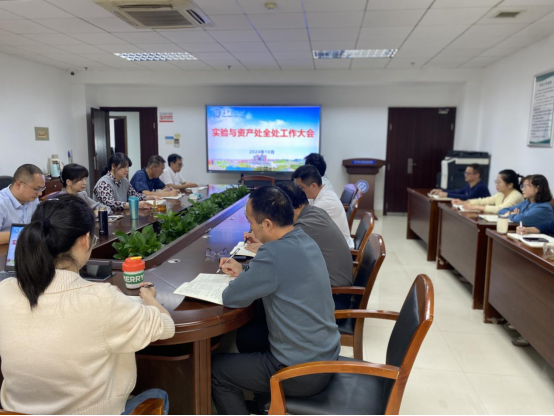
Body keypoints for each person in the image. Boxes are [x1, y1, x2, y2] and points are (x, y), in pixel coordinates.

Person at [0, 194, 175, 415]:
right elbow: (166, 327)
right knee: (159, 395)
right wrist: (149, 298)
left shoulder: (5, 290)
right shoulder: (102, 300)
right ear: (85, 240)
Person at [212, 187, 341, 416]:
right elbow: (281, 274)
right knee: (248, 338)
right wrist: (245, 271)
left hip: (301, 372)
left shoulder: (272, 254)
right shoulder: (304, 238)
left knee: (216, 371)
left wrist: (245, 275)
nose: (250, 228)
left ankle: (268, 395)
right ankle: (268, 405)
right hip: (325, 354)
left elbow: (231, 297)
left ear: (267, 224)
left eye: (251, 222)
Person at [245, 182, 353, 295]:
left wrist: (261, 245)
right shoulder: (315, 212)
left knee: (268, 290)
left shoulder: (304, 226)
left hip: (334, 292)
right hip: (332, 283)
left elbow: (277, 255)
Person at [292, 165, 354, 248]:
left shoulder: (325, 203)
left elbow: (301, 225)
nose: (299, 191)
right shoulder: (320, 191)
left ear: (313, 186)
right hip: (331, 241)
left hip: (339, 248)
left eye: (301, 188)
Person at [93, 153, 160, 212]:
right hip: (106, 218)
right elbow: (111, 204)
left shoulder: (124, 181)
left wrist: (150, 197)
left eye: (127, 167)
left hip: (120, 216)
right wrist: (135, 205)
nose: (127, 170)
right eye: (123, 167)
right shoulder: (103, 183)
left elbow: (134, 195)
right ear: (113, 166)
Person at [0, 164, 45, 245]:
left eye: (42, 189)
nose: (40, 193)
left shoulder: (33, 199)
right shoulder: (1, 203)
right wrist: (26, 233)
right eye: (36, 189)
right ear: (18, 185)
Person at [453, 170, 524, 214]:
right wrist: (464, 202)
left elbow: (501, 209)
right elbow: (484, 201)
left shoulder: (516, 195)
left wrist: (476, 207)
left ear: (510, 185)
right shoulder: (501, 194)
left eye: (499, 182)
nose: (496, 184)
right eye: (496, 182)